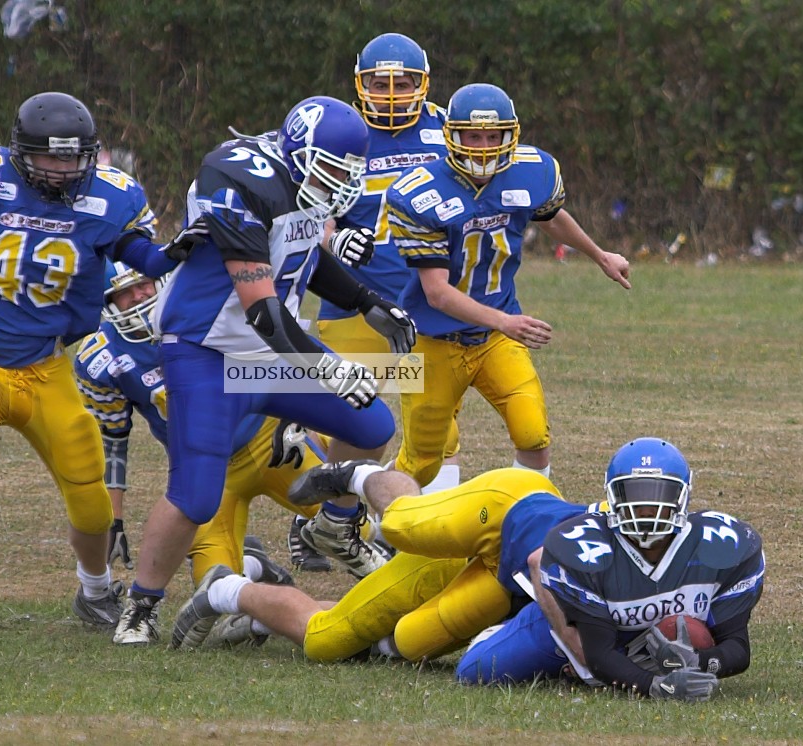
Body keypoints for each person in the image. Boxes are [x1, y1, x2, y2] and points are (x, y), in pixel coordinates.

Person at [112, 96, 418, 646]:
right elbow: (262, 309)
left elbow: (300, 255)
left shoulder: (299, 185)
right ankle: (141, 604)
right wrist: (329, 366)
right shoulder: (239, 183)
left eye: (347, 175)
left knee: (372, 426)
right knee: (196, 495)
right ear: (297, 155)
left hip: (269, 357)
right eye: (330, 171)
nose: (339, 186)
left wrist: (367, 300)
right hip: (208, 354)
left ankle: (331, 524)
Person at [0, 91, 201, 630]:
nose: (63, 171)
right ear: (21, 152)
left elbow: (144, 257)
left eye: (73, 159)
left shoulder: (108, 199)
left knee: (91, 491)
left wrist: (183, 248)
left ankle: (96, 592)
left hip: (46, 367)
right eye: (51, 158)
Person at [385, 82, 631, 486]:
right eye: (473, 136)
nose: (483, 147)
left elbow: (550, 216)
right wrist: (504, 322)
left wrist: (600, 255)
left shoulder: (533, 171)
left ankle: (523, 519)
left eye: (492, 136)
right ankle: (371, 517)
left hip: (494, 338)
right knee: (423, 459)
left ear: (509, 136)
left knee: (533, 434)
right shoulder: (417, 194)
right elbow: (437, 292)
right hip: (430, 339)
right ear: (452, 136)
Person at [73, 262, 356, 599]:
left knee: (362, 530)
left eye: (144, 284)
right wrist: (115, 518)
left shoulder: (201, 312)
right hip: (206, 471)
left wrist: (289, 418)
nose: (139, 296)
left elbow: (276, 357)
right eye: (124, 293)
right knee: (216, 590)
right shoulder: (103, 357)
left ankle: (301, 534)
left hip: (269, 443)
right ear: (107, 303)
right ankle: (252, 563)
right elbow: (112, 441)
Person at [297, 32, 462, 570]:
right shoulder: (340, 129)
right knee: (348, 415)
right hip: (352, 300)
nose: (391, 92)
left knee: (435, 429)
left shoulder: (448, 127)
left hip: (420, 302)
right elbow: (300, 204)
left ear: (425, 83)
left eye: (404, 82)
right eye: (379, 82)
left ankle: (423, 533)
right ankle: (319, 520)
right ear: (358, 84)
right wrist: (331, 238)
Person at [170, 459, 587, 655]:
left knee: (402, 644)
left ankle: (268, 610)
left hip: (502, 578)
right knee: (327, 640)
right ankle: (227, 588)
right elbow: (541, 565)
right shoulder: (616, 552)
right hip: (499, 521)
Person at [456, 438, 764, 702]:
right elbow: (599, 656)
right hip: (580, 629)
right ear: (613, 498)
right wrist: (656, 686)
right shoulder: (590, 552)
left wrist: (699, 662)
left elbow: (737, 649)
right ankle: (516, 611)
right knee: (476, 671)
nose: (646, 510)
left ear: (682, 498)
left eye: (659, 497)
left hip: (632, 639)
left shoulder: (722, 546)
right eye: (636, 496)